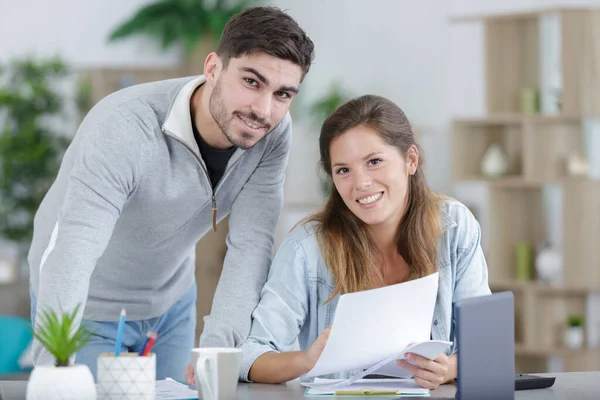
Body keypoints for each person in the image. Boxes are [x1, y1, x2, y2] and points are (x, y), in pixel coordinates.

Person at [28, 6, 314, 381]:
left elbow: (251, 245)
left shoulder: (273, 133)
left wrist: (218, 350)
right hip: (87, 308)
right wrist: (55, 365)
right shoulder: (125, 126)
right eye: (251, 82)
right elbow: (74, 246)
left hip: (170, 305)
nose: (263, 109)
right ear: (213, 68)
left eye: (283, 94)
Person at [233, 94, 491, 389]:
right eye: (343, 170)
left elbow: (483, 345)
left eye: (374, 162)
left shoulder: (455, 227)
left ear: (411, 159)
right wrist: (309, 360)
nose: (361, 184)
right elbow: (249, 356)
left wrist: (447, 369)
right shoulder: (306, 248)